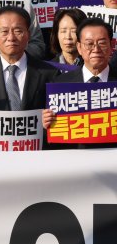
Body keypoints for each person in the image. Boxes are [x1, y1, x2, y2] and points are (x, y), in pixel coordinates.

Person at [0, 6, 59, 110]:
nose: (11, 38)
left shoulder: (50, 73)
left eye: (18, 31)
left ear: (28, 35)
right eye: (4, 31)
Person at [44, 19, 116, 148]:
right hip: (74, 162)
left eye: (102, 43)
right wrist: (47, 124)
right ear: (79, 48)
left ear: (112, 45)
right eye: (89, 44)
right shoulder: (60, 85)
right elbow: (53, 141)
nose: (96, 49)